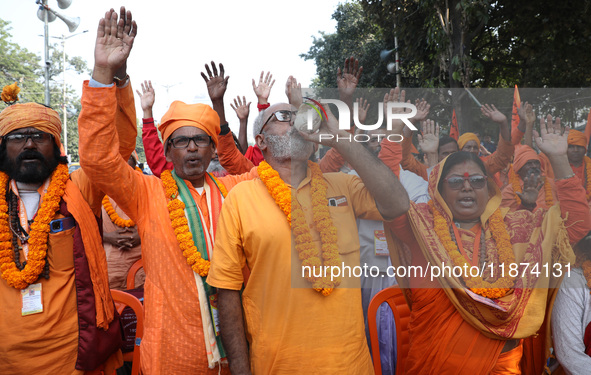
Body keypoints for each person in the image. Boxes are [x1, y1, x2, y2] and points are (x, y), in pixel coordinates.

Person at [78, 9, 264, 374]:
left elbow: (275, 170)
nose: (192, 148)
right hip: (174, 354)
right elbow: (98, 159)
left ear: (214, 150)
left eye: (200, 140)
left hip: (241, 350)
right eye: (181, 141)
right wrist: (105, 75)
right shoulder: (147, 192)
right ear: (166, 151)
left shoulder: (237, 190)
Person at [206, 99, 409, 374]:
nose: (294, 121)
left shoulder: (343, 186)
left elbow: (397, 203)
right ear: (261, 140)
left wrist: (336, 136)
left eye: (298, 115)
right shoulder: (240, 199)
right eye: (282, 116)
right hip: (278, 366)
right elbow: (227, 292)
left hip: (350, 365)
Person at [383, 115, 591, 373]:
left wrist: (559, 159)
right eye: (457, 181)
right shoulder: (422, 228)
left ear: (489, 188)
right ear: (439, 189)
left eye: (477, 181)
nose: (467, 188)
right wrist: (392, 138)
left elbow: (578, 225)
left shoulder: (518, 229)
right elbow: (385, 191)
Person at [0, 11, 140, 368]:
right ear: (3, 149)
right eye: (17, 137)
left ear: (56, 146)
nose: (29, 144)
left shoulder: (79, 188)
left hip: (72, 355)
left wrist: (112, 77)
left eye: (40, 137)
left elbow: (115, 148)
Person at [102, 152, 144, 290]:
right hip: (110, 269)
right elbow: (83, 225)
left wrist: (141, 234)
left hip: (143, 267)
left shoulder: (147, 188)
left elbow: (161, 221)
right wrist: (107, 237)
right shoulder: (96, 190)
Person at [500, 145, 557, 212]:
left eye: (536, 162)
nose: (534, 166)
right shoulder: (509, 192)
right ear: (519, 169)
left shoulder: (552, 183)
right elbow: (507, 218)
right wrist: (525, 205)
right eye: (529, 163)